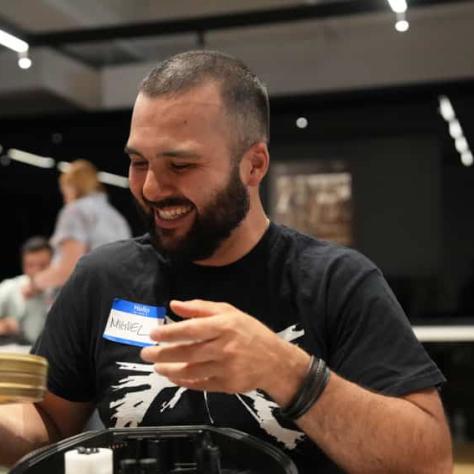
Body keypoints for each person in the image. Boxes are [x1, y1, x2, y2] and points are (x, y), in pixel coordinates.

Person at [0, 51, 452, 473]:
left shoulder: (337, 282)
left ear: (253, 165)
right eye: (139, 162)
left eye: (179, 165)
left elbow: (428, 460)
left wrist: (287, 371)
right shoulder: (102, 278)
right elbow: (48, 425)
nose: (152, 188)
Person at [22, 159, 132, 297]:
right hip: (114, 301)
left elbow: (68, 269)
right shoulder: (117, 218)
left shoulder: (75, 211)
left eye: (64, 192)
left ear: (71, 187)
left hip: (82, 302)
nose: (64, 198)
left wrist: (34, 284)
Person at [0, 236, 52, 344]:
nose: (36, 271)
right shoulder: (10, 287)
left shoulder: (62, 291)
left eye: (42, 266)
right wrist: (4, 325)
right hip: (17, 353)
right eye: (30, 265)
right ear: (23, 265)